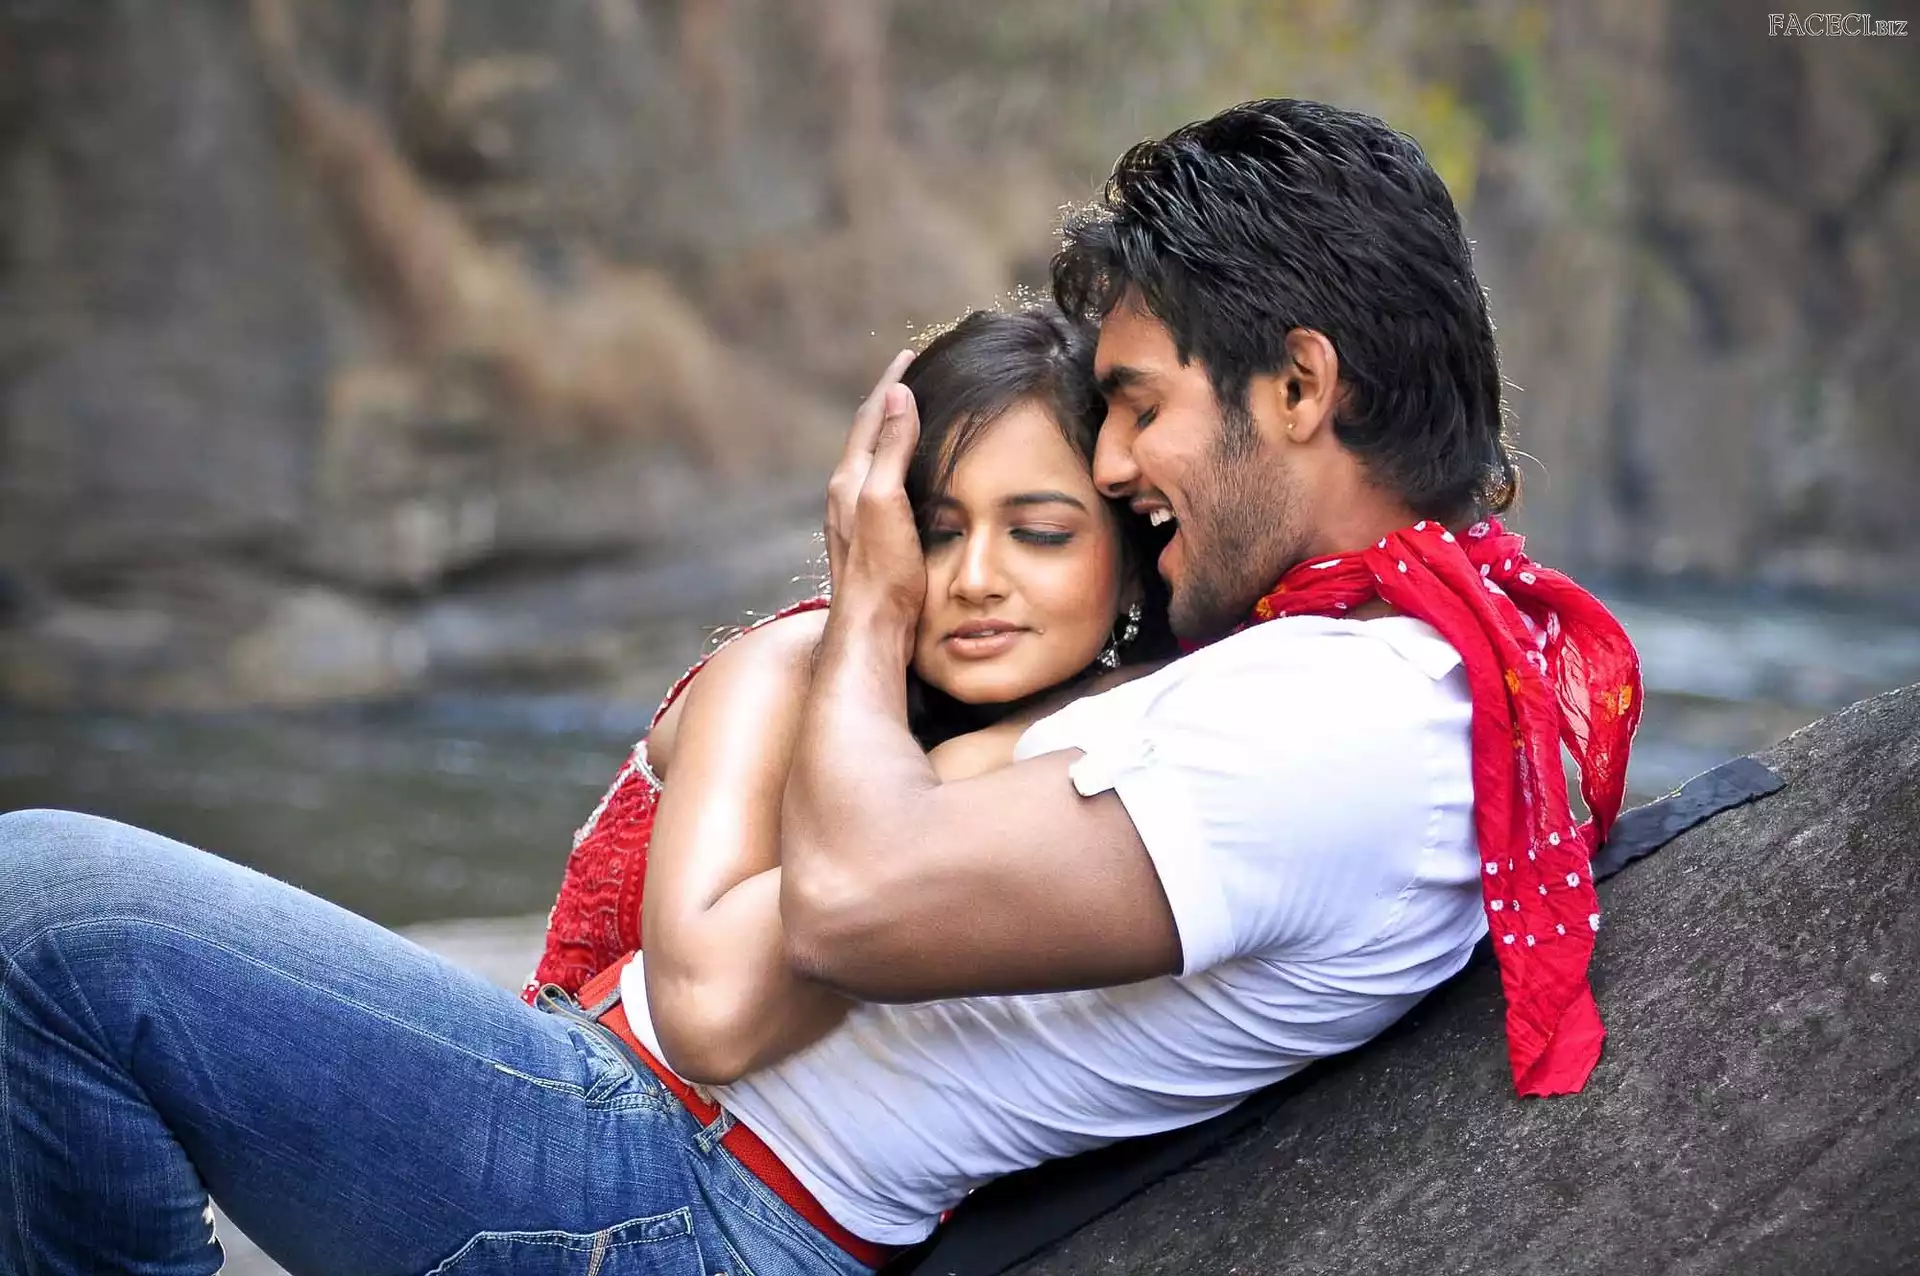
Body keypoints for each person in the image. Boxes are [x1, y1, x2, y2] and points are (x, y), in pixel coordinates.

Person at [0, 98, 1641, 1275]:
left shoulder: (1356, 721)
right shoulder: (1366, 667)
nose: (1117, 462)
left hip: (670, 1192)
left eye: (1140, 406)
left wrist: (861, 606)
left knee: (46, 913)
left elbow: (840, 916)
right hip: (653, 1135)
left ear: (1298, 386)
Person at [526, 303, 1177, 1083]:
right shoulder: (784, 669)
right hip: (576, 1101)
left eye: (1038, 534)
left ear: (1132, 562)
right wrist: (977, 760)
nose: (975, 580)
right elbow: (708, 1020)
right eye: (934, 533)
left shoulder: (1164, 705)